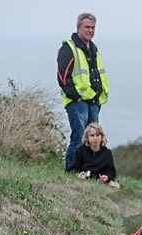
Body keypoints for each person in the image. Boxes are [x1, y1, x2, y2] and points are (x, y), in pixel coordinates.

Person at [57, 12, 109, 172]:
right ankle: (71, 171)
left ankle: (90, 172)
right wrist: (76, 97)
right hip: (78, 102)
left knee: (93, 141)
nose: (90, 30)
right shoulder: (69, 48)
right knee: (79, 137)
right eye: (87, 27)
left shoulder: (93, 49)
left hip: (93, 101)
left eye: (93, 27)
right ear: (78, 27)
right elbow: (63, 76)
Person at [71, 123, 119, 188]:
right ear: (87, 137)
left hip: (100, 180)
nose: (95, 138)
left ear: (102, 137)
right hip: (84, 178)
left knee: (112, 184)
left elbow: (111, 171)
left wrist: (107, 177)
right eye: (92, 135)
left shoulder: (107, 153)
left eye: (98, 135)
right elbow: (73, 168)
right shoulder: (80, 150)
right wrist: (79, 174)